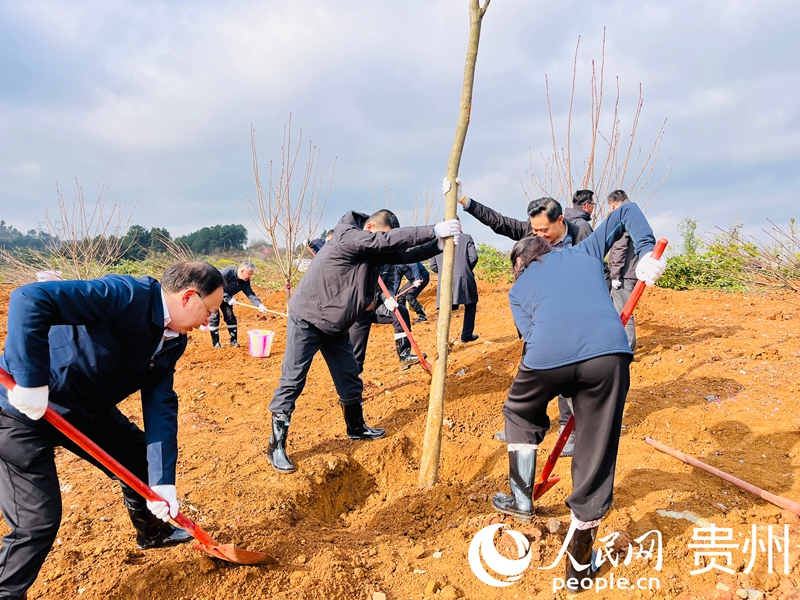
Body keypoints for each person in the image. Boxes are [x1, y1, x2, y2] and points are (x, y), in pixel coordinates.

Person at [0, 262, 225, 600]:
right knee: (37, 522)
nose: (209, 321)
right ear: (188, 297)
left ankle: (152, 532)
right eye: (210, 310)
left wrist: (163, 483)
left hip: (84, 408)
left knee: (139, 457)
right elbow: (30, 299)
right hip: (20, 407)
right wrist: (30, 380)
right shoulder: (126, 295)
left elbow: (160, 404)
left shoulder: (173, 340)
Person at [490, 203, 665, 588]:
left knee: (519, 413)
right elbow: (626, 212)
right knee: (595, 449)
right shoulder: (582, 252)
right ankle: (578, 568)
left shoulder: (518, 289)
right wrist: (648, 252)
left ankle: (522, 500)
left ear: (522, 265)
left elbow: (530, 338)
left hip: (546, 357)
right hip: (607, 355)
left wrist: (554, 378)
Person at [266, 209, 460, 474]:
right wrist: (433, 229)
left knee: (350, 377)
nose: (384, 243)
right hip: (308, 318)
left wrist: (436, 245)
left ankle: (356, 428)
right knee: (293, 379)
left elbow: (402, 254)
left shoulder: (371, 248)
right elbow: (387, 243)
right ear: (370, 228)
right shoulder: (348, 236)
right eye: (383, 237)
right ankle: (276, 445)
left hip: (335, 324)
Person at [444, 178, 590, 452]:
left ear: (560, 221)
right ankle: (520, 426)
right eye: (534, 230)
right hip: (538, 317)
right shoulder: (533, 232)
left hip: (571, 317)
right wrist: (466, 201)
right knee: (531, 374)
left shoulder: (581, 233)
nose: (538, 235)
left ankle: (569, 432)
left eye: (543, 230)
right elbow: (500, 223)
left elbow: (596, 270)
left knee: (567, 380)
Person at [349, 263, 422, 372]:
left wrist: (388, 297)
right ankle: (353, 384)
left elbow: (388, 284)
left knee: (400, 312)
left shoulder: (388, 261)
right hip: (357, 312)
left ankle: (404, 355)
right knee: (356, 354)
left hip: (377, 306)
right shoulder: (359, 260)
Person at [429, 232, 480, 342]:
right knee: (470, 304)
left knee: (444, 310)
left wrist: (444, 273)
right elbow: (473, 257)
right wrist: (465, 268)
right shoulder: (466, 237)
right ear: (459, 226)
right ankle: (466, 335)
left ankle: (441, 340)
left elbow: (432, 265)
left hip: (444, 281)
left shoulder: (437, 241)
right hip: (464, 278)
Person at [209, 260, 268, 348]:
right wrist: (228, 298)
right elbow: (217, 286)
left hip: (226, 300)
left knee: (230, 318)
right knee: (215, 318)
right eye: (249, 274)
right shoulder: (226, 273)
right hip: (213, 297)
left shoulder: (245, 281)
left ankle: (234, 341)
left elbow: (250, 293)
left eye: (251, 274)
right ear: (242, 271)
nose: (250, 276)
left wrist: (259, 304)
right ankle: (216, 343)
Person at [607, 190, 638, 351]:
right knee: (625, 309)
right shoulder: (634, 214)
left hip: (624, 274)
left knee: (624, 311)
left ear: (612, 205)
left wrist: (615, 275)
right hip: (633, 271)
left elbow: (618, 247)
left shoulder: (622, 217)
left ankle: (626, 348)